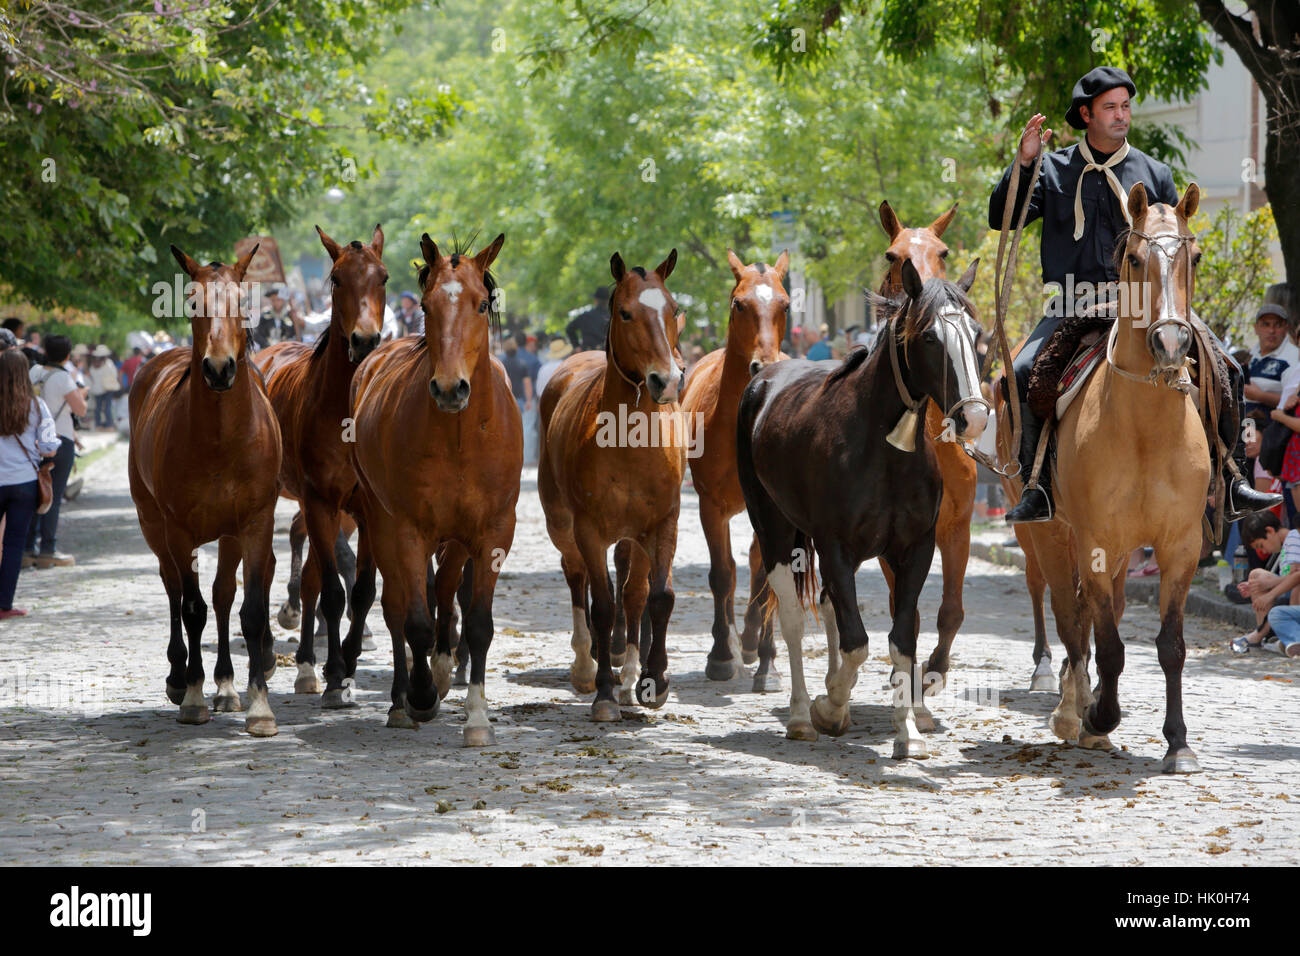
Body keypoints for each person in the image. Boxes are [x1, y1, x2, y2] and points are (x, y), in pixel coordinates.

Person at [990, 66, 1280, 524]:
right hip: (1071, 301)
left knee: (1228, 367)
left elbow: (1174, 244)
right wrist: (1024, 164)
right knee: (1023, 371)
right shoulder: (1053, 168)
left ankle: (1232, 478)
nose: (1121, 115)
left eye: (1125, 106)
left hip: (1149, 302)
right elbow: (1000, 218)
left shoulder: (1155, 172)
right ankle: (1036, 487)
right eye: (1110, 107)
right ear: (1086, 114)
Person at [0, 350, 60, 616]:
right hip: (24, 482)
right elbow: (49, 448)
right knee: (14, 545)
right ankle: (4, 604)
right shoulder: (37, 406)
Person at [26, 335, 83, 568]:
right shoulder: (63, 378)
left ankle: (28, 547)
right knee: (52, 496)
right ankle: (48, 548)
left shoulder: (33, 372)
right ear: (67, 355)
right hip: (60, 440)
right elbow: (80, 408)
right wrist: (83, 394)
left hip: (31, 441)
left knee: (31, 495)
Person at [1230, 511, 1300, 657]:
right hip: (1288, 594)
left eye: (1261, 545)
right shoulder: (1284, 547)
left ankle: (1261, 634)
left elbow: (1295, 576)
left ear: (1270, 530)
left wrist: (1270, 591)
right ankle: (1266, 635)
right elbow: (1287, 577)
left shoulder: (1293, 537)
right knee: (1256, 576)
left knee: (1294, 589)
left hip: (1294, 595)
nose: (1263, 551)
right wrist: (1262, 585)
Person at [566, 287, 610, 351]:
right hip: (605, 353)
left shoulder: (585, 316)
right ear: (607, 301)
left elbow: (569, 329)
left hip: (587, 353)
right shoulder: (612, 317)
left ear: (596, 300)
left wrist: (576, 346)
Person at [87, 345, 120, 430]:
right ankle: (109, 425)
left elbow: (92, 377)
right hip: (107, 388)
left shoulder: (93, 365)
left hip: (97, 389)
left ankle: (98, 425)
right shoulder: (109, 363)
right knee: (107, 407)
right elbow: (114, 375)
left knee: (98, 408)